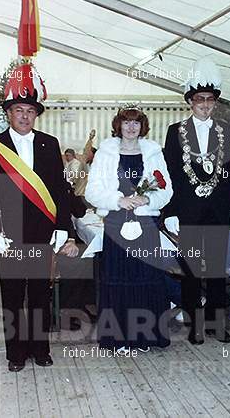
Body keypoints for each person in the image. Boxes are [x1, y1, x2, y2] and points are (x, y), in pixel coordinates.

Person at [0, 63, 73, 372]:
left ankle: (40, 348)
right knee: (13, 295)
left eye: (30, 111)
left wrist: (63, 227)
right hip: (9, 234)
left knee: (41, 294)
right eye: (19, 110)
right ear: (8, 112)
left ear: (36, 114)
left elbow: (60, 190)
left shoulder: (50, 144)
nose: (25, 116)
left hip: (43, 231)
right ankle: (16, 353)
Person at [163, 58, 230, 344]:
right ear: (190, 101)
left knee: (218, 270)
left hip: (219, 211)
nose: (205, 104)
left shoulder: (227, 130)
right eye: (200, 99)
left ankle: (216, 324)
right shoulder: (175, 131)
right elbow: (171, 172)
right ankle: (195, 326)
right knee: (191, 271)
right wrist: (169, 211)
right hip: (187, 211)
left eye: (210, 99)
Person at [85, 108, 173, 353]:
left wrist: (148, 200)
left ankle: (146, 337)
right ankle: (119, 338)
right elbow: (92, 191)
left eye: (136, 123)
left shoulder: (154, 152)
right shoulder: (104, 153)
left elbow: (167, 191)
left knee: (145, 278)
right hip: (115, 224)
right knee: (118, 279)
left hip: (146, 226)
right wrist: (118, 201)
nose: (131, 127)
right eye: (126, 122)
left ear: (142, 127)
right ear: (118, 125)